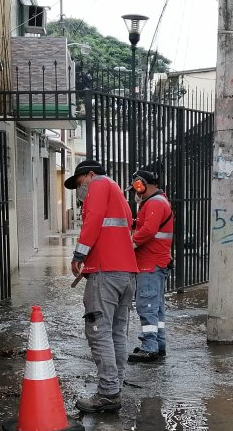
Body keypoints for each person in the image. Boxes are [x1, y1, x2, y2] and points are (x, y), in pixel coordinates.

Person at [65, 160, 137, 413]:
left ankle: (107, 393)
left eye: (79, 183)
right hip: (126, 273)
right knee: (116, 333)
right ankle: (114, 386)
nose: (79, 190)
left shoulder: (97, 184)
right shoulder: (117, 191)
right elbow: (125, 224)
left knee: (99, 332)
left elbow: (92, 221)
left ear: (91, 175)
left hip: (106, 274)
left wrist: (79, 255)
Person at [127, 169, 172, 363]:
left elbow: (148, 230)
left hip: (150, 263)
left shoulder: (154, 203)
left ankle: (149, 347)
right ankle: (158, 344)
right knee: (156, 308)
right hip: (155, 262)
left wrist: (129, 245)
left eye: (137, 189)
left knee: (147, 306)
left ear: (142, 184)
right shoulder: (157, 201)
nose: (137, 193)